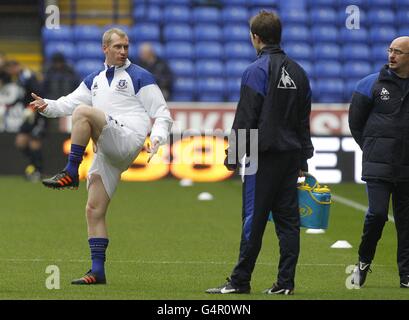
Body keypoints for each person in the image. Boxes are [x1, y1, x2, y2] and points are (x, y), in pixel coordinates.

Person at [30, 28, 173, 285]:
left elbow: (162, 112)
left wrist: (158, 138)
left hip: (127, 138)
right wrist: (46, 105)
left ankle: (71, 171)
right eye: (118, 47)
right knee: (93, 210)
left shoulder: (139, 76)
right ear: (104, 48)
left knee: (84, 113)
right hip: (108, 151)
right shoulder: (94, 79)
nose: (123, 51)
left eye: (126, 47)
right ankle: (97, 271)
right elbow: (67, 103)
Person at [206, 11, 313, 295]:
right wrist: (303, 158)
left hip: (260, 156)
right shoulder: (300, 72)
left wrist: (233, 154)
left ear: (255, 37)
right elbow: (304, 121)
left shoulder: (256, 71)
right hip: (290, 157)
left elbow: (246, 118)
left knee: (253, 219)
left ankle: (240, 282)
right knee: (289, 223)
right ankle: (285, 283)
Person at [349, 36, 409, 289]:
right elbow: (355, 123)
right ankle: (363, 262)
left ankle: (406, 275)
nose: (391, 56)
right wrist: (372, 149)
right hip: (378, 164)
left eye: (398, 52)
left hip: (406, 166)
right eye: (390, 50)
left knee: (406, 223)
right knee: (377, 214)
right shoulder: (369, 84)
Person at [5, 60, 45, 181]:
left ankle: (38, 170)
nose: (10, 72)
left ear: (16, 66)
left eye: (11, 69)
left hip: (36, 114)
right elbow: (24, 96)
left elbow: (38, 93)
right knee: (20, 142)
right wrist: (11, 104)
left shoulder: (28, 76)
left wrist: (32, 108)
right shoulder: (20, 78)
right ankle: (33, 165)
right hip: (28, 116)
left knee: (34, 141)